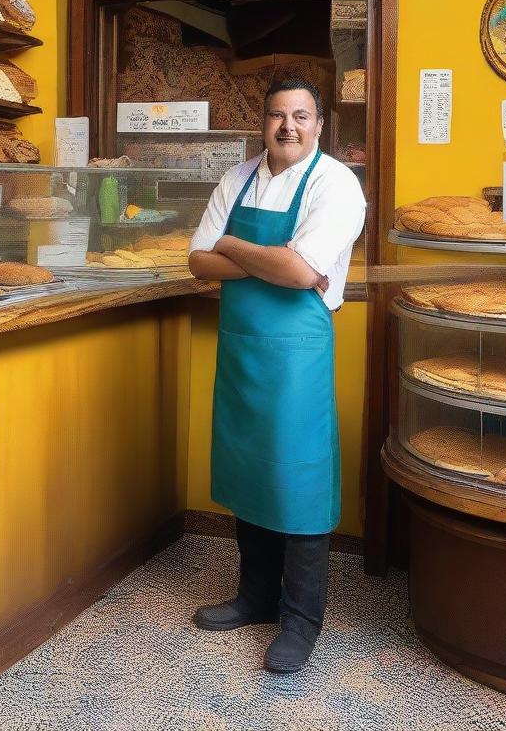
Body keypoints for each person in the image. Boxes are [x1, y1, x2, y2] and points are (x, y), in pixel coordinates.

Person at [187, 76, 367, 674]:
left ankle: (300, 620)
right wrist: (265, 255)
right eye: (276, 116)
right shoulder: (235, 179)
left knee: (299, 478)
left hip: (296, 354)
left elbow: (298, 273)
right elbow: (196, 262)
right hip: (241, 351)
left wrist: (232, 247)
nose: (287, 126)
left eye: (301, 116)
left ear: (320, 125)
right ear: (262, 122)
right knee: (248, 470)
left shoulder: (336, 184)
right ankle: (256, 597)